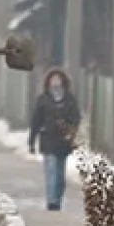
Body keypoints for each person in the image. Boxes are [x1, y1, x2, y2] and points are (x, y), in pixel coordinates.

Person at [28, 69, 81, 211]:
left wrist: (71, 132)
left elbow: (76, 118)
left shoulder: (69, 99)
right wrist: (32, 140)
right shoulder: (43, 99)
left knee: (59, 175)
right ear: (48, 81)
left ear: (63, 81)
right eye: (53, 79)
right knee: (51, 169)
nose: (55, 82)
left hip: (63, 142)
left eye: (58, 79)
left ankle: (57, 198)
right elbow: (36, 120)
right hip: (48, 139)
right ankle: (52, 202)